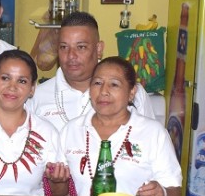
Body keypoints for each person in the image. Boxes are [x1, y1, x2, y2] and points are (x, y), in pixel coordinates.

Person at [61, 56, 181, 196]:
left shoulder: (153, 133)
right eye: (97, 83)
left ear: (131, 92)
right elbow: (58, 192)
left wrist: (161, 193)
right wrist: (57, 180)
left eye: (114, 85)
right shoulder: (71, 130)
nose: (103, 91)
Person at [0, 49, 70, 196]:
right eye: (5, 78)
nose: (12, 87)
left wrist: (58, 181)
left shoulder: (47, 131)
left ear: (32, 89)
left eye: (22, 81)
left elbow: (59, 195)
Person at [27, 11, 155, 131]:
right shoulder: (37, 96)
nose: (71, 55)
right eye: (64, 47)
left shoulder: (130, 92)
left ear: (99, 49)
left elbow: (150, 141)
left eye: (81, 47)